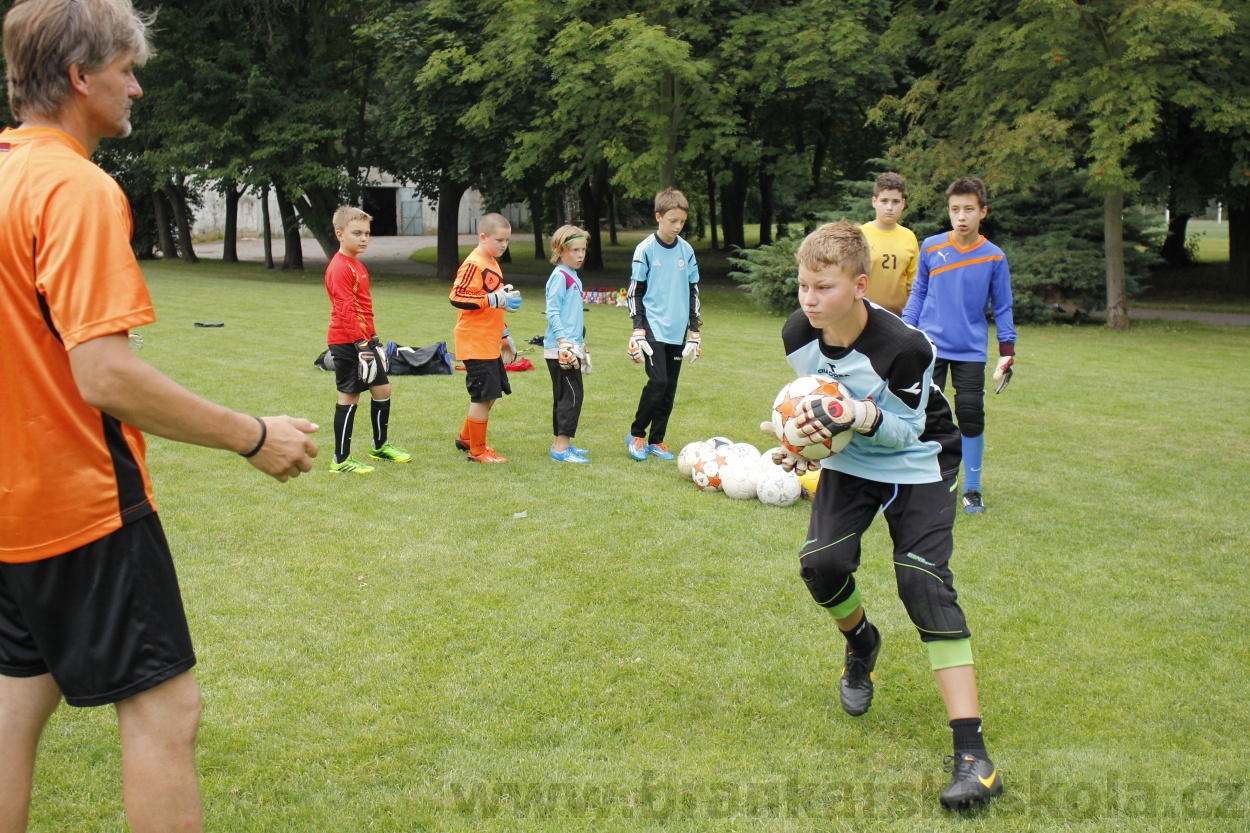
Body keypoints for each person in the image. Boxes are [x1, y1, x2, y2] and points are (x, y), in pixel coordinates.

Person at [0, 2, 319, 830]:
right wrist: (252, 434)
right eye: (126, 70)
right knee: (163, 715)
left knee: (9, 713)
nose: (136, 87)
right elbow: (104, 374)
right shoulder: (75, 188)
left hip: (8, 512)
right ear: (79, 77)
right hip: (83, 510)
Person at [763, 221, 1002, 811]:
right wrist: (799, 443)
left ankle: (974, 756)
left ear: (860, 285)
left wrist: (859, 416)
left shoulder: (905, 347)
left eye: (822, 288)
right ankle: (861, 642)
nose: (809, 300)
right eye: (802, 287)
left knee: (921, 582)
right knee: (822, 566)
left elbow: (905, 431)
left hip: (919, 459)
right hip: (854, 462)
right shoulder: (799, 333)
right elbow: (816, 404)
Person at [902, 176, 1017, 514]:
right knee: (922, 415)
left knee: (970, 415)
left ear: (983, 212)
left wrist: (1007, 352)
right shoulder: (932, 247)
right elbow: (919, 291)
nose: (961, 216)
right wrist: (907, 330)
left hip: (970, 351)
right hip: (930, 347)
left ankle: (972, 489)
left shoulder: (994, 258)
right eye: (955, 210)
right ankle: (919, 483)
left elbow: (1004, 306)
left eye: (969, 209)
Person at [324, 205, 411, 473]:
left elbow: (364, 308)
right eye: (356, 233)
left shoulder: (358, 266)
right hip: (347, 341)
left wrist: (373, 339)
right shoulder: (339, 267)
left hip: (363, 340)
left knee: (383, 390)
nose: (363, 238)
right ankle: (341, 460)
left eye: (367, 233)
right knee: (349, 397)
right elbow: (345, 308)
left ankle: (380, 446)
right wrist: (360, 344)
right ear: (340, 234)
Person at [625, 187, 702, 461]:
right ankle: (636, 435)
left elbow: (693, 290)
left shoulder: (687, 251)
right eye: (673, 221)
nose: (678, 226)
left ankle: (657, 440)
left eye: (682, 221)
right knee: (657, 382)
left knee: (669, 386)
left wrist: (695, 329)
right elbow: (635, 291)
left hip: (677, 329)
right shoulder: (645, 249)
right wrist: (638, 328)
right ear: (659, 217)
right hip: (652, 327)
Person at [449, 213, 521, 463]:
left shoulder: (492, 261)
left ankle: (466, 438)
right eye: (499, 239)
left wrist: (504, 333)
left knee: (490, 394)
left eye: (507, 240)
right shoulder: (474, 263)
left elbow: (495, 303)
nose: (504, 244)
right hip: (474, 342)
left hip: (489, 342)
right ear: (483, 237)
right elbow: (456, 296)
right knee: (483, 396)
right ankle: (477, 451)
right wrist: (491, 299)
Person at [543, 224, 593, 464]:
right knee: (570, 398)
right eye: (575, 250)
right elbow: (552, 312)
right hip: (560, 350)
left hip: (572, 347)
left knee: (567, 396)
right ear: (560, 250)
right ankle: (561, 450)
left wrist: (581, 344)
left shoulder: (572, 275)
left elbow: (573, 316)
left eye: (583, 249)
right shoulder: (559, 277)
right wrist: (564, 343)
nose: (581, 254)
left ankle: (561, 445)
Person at [859, 172, 919, 316]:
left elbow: (914, 285)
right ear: (874, 202)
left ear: (903, 203)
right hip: (863, 315)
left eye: (895, 202)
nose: (889, 207)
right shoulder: (859, 235)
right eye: (884, 201)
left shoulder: (909, 237)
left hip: (899, 318)